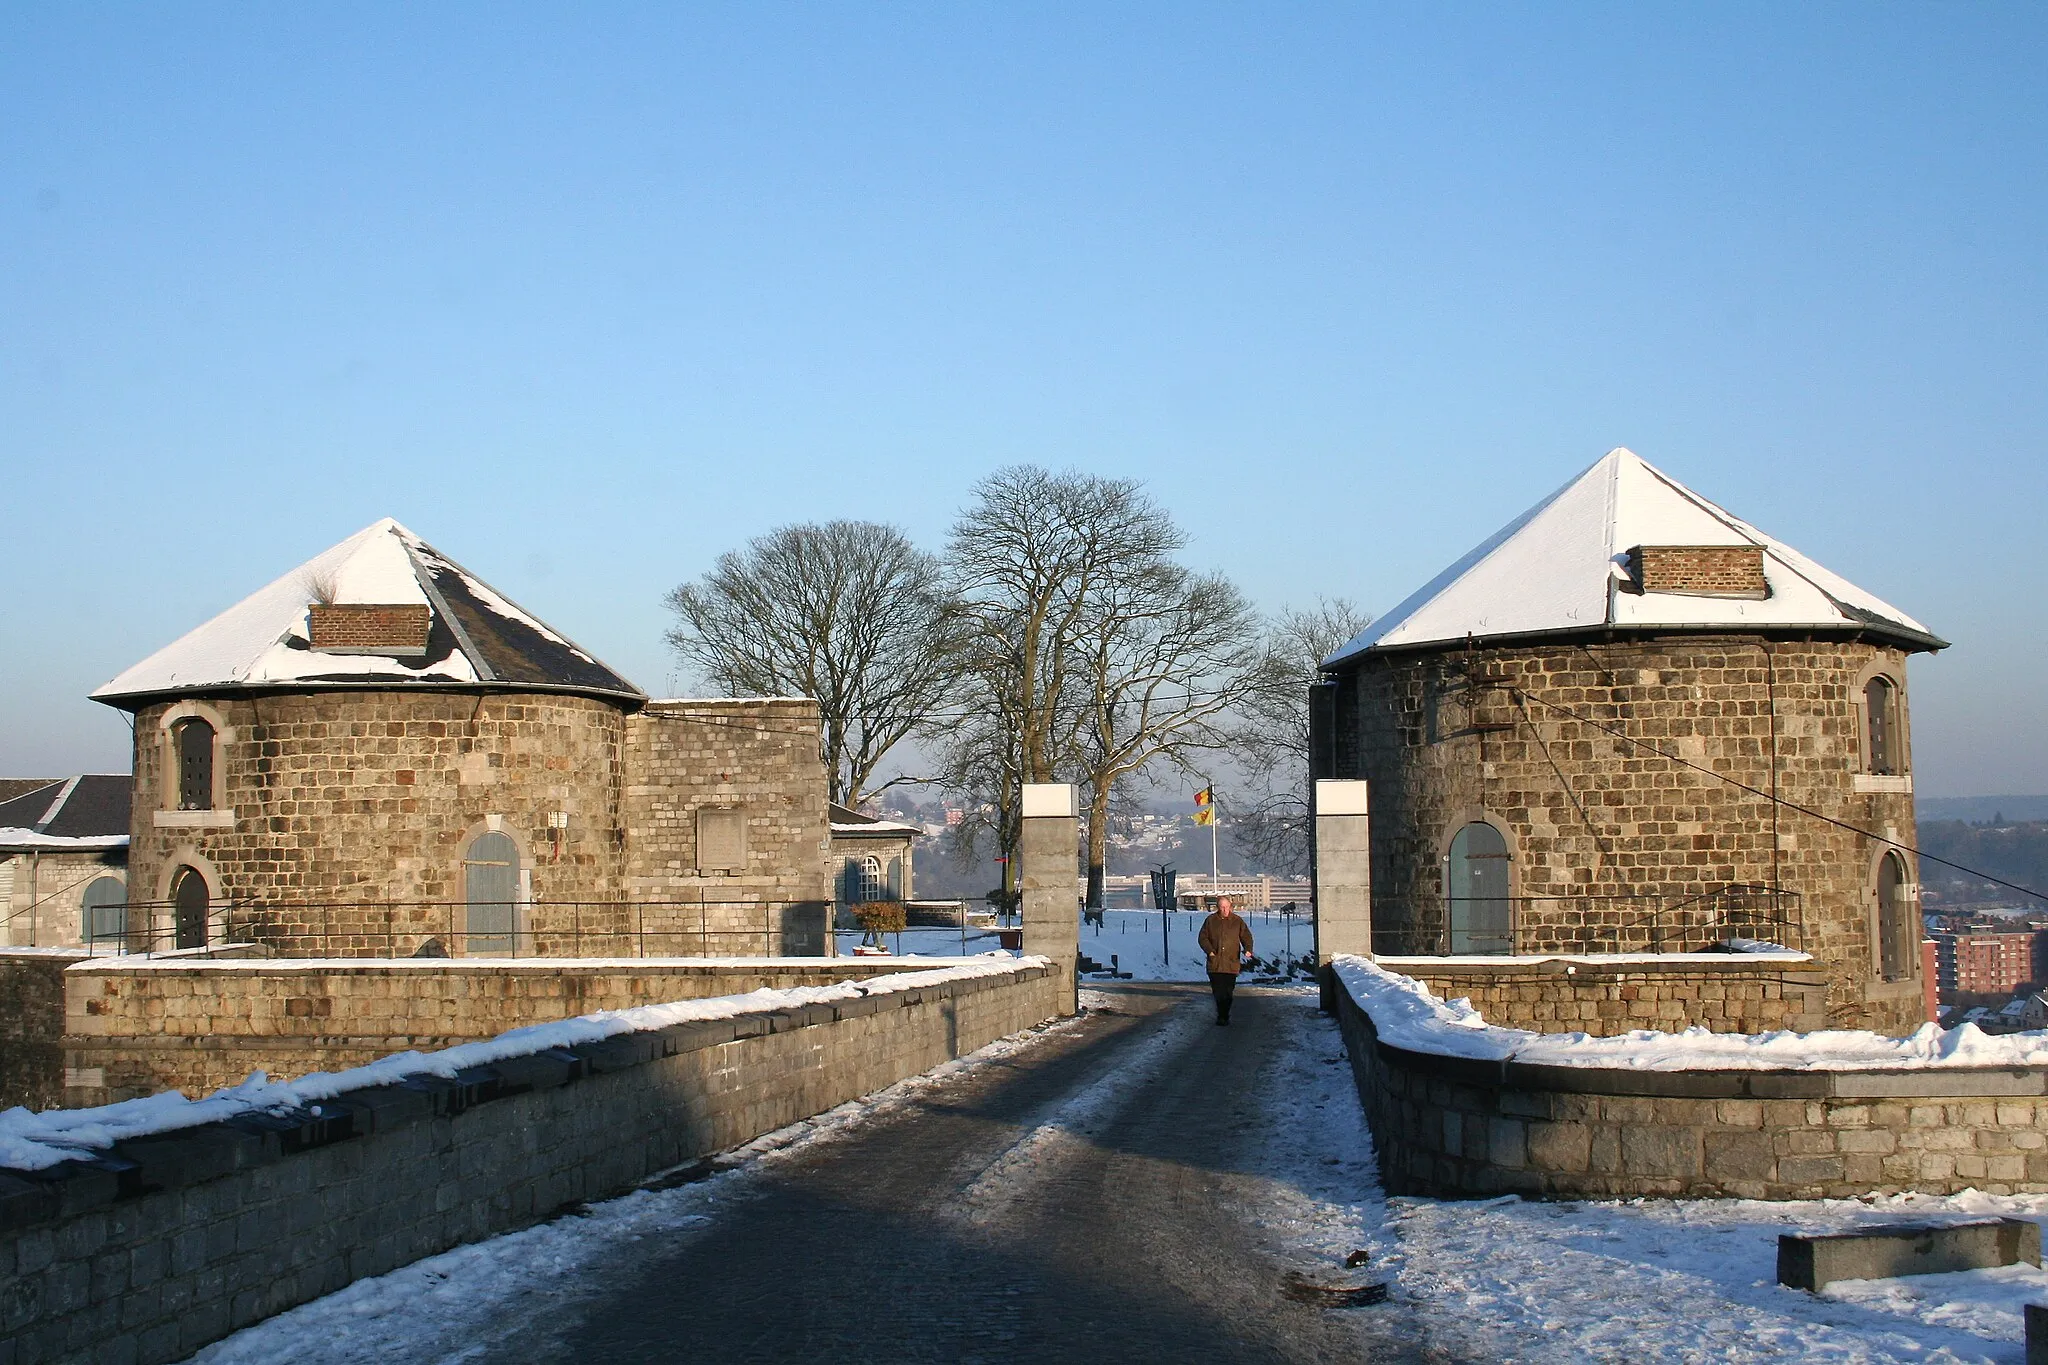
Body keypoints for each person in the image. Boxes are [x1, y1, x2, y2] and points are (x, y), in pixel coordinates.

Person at [1197, 895, 1255, 1025]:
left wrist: (1248, 949)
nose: (1225, 910)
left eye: (1227, 907)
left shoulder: (1237, 921)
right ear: (1218, 907)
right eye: (1222, 907)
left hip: (1231, 963)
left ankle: (1225, 1014)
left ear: (1231, 907)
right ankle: (1221, 1016)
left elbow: (1246, 936)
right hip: (1215, 964)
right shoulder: (1211, 920)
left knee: (1228, 992)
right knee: (1218, 992)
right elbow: (1202, 938)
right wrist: (1210, 951)